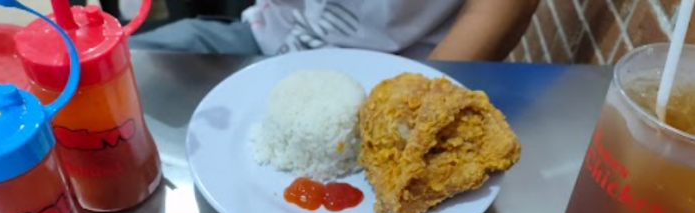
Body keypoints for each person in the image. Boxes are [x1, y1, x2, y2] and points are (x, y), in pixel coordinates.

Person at [128, 0, 539, 61]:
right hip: (259, 38)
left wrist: (416, 102)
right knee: (125, 66)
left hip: (390, 77)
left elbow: (499, 11)